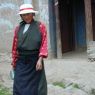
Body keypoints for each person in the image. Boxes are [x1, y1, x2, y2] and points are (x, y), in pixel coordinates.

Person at [11, 3, 48, 95]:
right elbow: (15, 47)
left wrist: (40, 59)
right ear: (21, 16)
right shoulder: (18, 28)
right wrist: (14, 63)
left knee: (34, 87)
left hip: (35, 61)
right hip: (21, 60)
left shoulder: (40, 26)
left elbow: (44, 43)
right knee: (18, 83)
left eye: (28, 14)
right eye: (23, 15)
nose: (26, 17)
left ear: (33, 14)